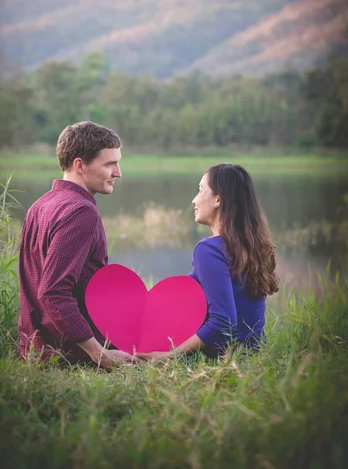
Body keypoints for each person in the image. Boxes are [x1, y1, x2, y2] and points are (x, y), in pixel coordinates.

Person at [18, 121, 135, 368]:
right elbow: (53, 291)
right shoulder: (81, 212)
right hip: (69, 357)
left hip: (34, 352)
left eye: (118, 162)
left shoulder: (40, 205)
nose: (118, 172)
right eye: (109, 164)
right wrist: (99, 353)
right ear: (79, 165)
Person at [138, 163, 279, 361]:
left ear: (218, 199)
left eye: (200, 190)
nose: (194, 200)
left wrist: (168, 356)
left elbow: (223, 321)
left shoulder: (209, 250)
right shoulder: (252, 245)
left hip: (221, 356)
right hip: (251, 353)